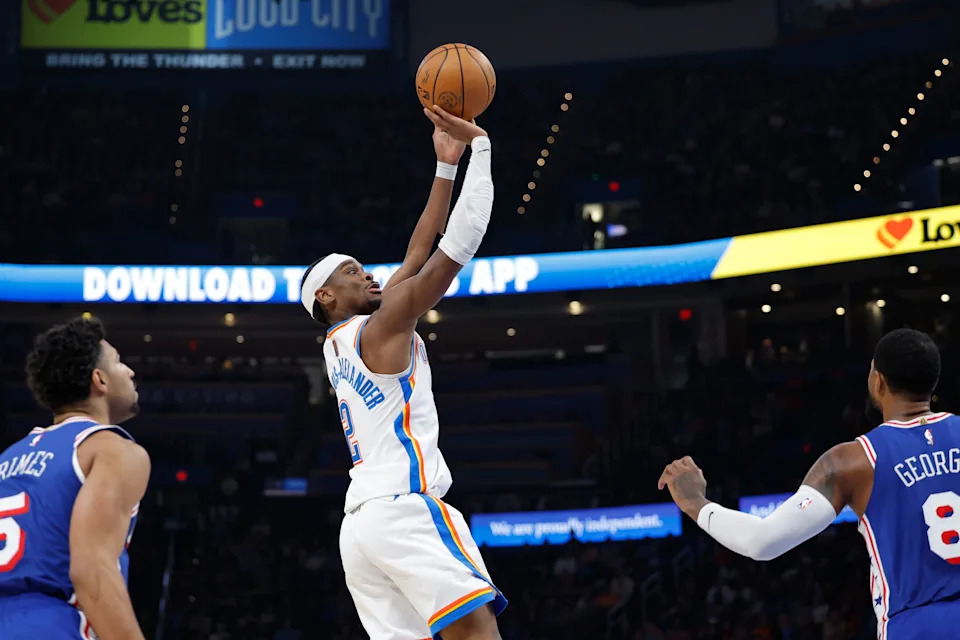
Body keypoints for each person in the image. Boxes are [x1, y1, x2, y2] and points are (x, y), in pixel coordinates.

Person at [299, 105, 506, 640]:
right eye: (352, 272)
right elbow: (455, 248)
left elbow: (416, 252)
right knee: (477, 632)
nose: (368, 274)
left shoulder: (344, 341)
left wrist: (445, 166)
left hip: (361, 528)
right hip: (403, 507)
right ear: (327, 296)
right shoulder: (380, 327)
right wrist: (481, 147)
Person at [659, 328, 959, 639]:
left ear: (878, 381)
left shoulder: (852, 461)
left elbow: (762, 541)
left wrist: (695, 502)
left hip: (916, 627)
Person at [0, 317, 148, 639]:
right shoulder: (111, 449)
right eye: (119, 362)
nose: (129, 371)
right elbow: (91, 571)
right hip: (49, 626)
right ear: (99, 380)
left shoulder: (7, 458)